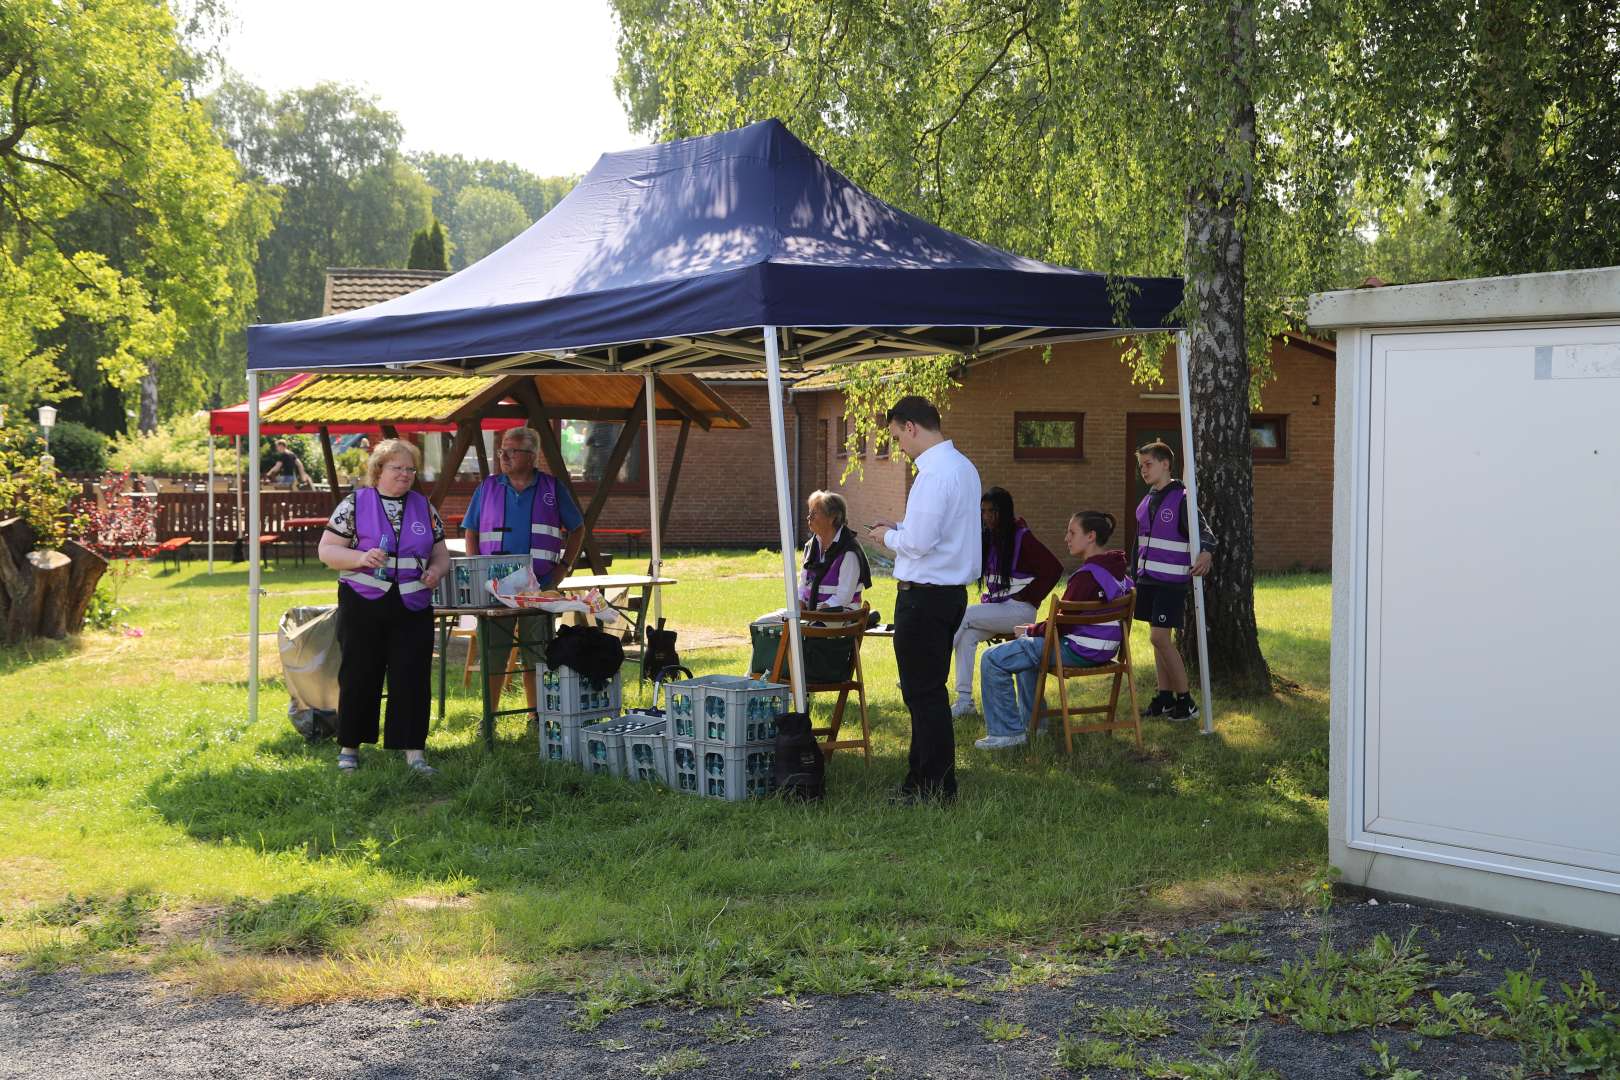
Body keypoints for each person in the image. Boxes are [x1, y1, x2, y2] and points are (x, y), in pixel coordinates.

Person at [867, 396, 981, 804]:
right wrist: (900, 527)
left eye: (897, 436)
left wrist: (887, 537)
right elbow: (940, 531)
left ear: (911, 427)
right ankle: (920, 780)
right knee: (925, 691)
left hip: (925, 597)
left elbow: (918, 542)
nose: (899, 446)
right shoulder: (963, 468)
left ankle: (935, 787)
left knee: (924, 695)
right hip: (947, 594)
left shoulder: (933, 474)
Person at [317, 439, 451, 775]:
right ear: (378, 471)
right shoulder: (354, 504)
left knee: (412, 676)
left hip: (413, 604)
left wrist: (436, 570)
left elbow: (440, 552)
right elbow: (328, 551)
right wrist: (359, 557)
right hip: (363, 604)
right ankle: (350, 748)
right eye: (397, 468)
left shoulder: (424, 507)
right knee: (360, 673)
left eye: (410, 469)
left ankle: (414, 753)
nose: (405, 475)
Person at [976, 511, 1132, 749]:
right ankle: (1034, 726)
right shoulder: (1118, 571)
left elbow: (1060, 625)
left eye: (1072, 532)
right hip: (1104, 651)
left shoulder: (1086, 577)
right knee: (1025, 658)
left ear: (1091, 536)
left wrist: (1029, 630)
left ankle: (1006, 733)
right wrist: (1034, 630)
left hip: (1077, 651)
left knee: (992, 659)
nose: (1066, 538)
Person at [461, 426, 585, 709]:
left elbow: (578, 528)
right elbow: (471, 531)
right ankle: (489, 718)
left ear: (532, 456)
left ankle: (536, 716)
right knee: (493, 653)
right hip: (495, 586)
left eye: (512, 450)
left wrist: (563, 568)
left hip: (539, 586)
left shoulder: (552, 488)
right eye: (502, 449)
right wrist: (475, 569)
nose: (503, 455)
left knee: (536, 653)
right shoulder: (488, 487)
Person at [949, 487, 1062, 719]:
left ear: (1005, 511)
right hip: (1000, 609)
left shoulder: (1022, 537)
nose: (987, 516)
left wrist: (1030, 595)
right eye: (983, 511)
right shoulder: (989, 538)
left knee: (966, 615)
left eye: (993, 511)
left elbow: (1054, 569)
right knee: (968, 636)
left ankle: (930, 665)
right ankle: (964, 701)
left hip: (1021, 611)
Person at [1132, 440, 1215, 722]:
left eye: (1148, 464)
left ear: (1165, 464)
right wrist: (1135, 576)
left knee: (1159, 637)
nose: (1143, 470)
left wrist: (1206, 553)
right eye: (1141, 465)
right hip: (1148, 580)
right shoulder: (1147, 501)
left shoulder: (1182, 498)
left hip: (1170, 581)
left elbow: (1205, 533)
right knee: (1157, 639)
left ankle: (1186, 701)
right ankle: (1165, 697)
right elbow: (1139, 543)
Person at [749, 491, 873, 677]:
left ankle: (787, 679)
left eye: (814, 513)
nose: (809, 517)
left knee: (796, 630)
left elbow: (843, 597)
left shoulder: (849, 551)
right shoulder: (811, 546)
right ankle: (756, 678)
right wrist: (799, 604)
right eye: (809, 512)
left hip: (838, 618)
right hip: (809, 614)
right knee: (762, 624)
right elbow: (803, 585)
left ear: (833, 518)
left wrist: (813, 614)